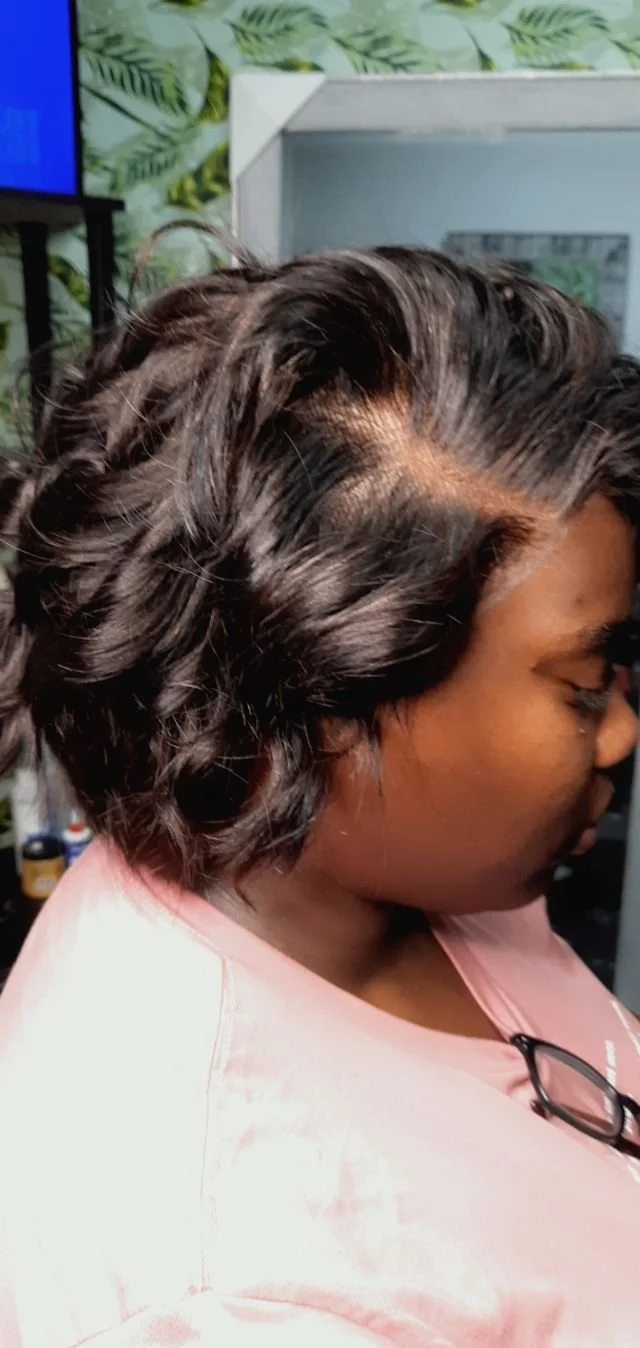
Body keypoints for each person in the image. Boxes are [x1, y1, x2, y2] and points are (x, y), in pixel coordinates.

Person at [1, 245, 640, 1347]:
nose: (623, 726)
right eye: (584, 684)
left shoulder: (398, 869)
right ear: (311, 712)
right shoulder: (234, 1287)